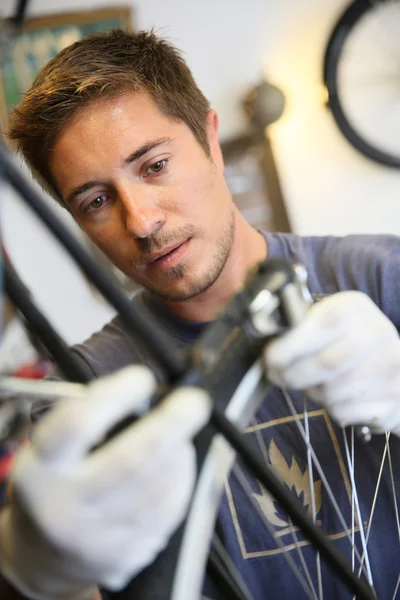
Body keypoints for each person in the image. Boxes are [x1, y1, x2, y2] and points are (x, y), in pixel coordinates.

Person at [2, 28, 400, 600]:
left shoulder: (381, 277)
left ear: (211, 140)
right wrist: (33, 580)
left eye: (155, 165)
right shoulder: (82, 399)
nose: (140, 220)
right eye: (95, 201)